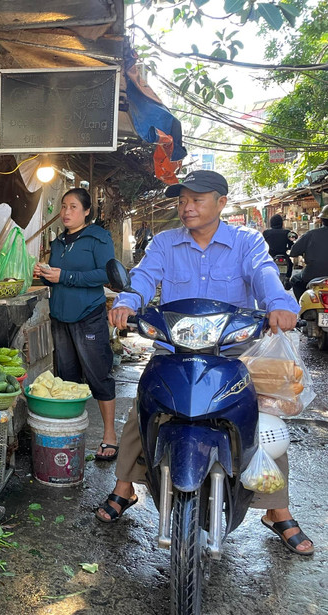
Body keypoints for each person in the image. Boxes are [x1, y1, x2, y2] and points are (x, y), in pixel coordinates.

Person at [97, 170, 313, 556]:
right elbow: (145, 276)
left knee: (263, 419)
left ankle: (277, 509)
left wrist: (279, 304)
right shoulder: (165, 242)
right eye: (182, 200)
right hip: (175, 349)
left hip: (232, 351)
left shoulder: (247, 242)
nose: (186, 207)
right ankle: (125, 487)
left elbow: (265, 275)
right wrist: (129, 300)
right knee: (144, 405)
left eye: (196, 199)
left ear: (221, 203)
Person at [33, 188, 118, 461]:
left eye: (73, 207)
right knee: (67, 378)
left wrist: (65, 276)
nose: (66, 212)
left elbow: (106, 274)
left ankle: (109, 435)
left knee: (98, 374)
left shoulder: (98, 237)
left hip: (88, 316)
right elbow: (58, 278)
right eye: (63, 206)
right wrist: (45, 274)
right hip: (60, 318)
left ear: (86, 211)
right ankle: (71, 435)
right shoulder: (58, 243)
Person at [289, 205, 328, 301]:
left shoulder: (311, 234)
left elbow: (293, 252)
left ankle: (303, 308)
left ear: (322, 219)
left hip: (312, 275)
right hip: (313, 275)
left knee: (295, 280)